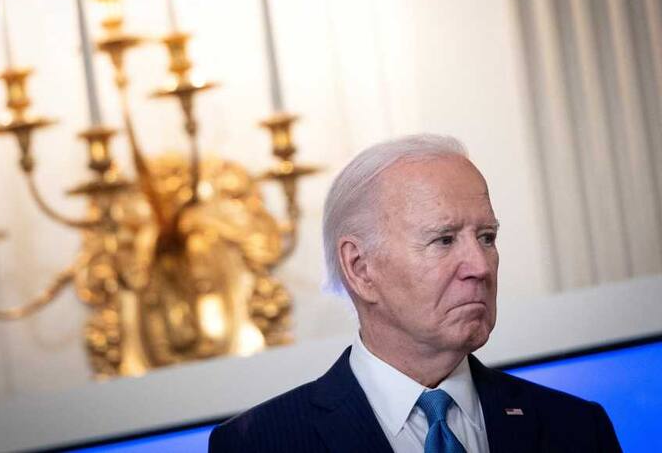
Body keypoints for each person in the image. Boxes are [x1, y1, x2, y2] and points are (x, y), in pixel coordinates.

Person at [209, 134, 621, 453]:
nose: (480, 267)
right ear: (360, 268)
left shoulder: (577, 428)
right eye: (444, 240)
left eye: (487, 237)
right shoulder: (260, 444)